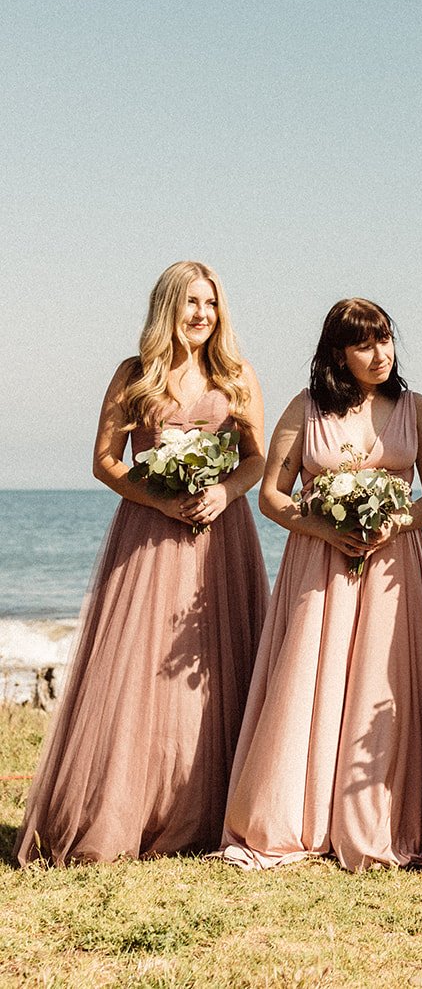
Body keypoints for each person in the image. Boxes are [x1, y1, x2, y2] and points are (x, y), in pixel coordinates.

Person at [17, 261, 269, 865]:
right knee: (139, 673)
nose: (202, 314)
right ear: (167, 308)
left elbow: (256, 459)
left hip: (220, 538)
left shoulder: (236, 376)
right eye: (189, 303)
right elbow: (105, 461)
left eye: (210, 303)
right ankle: (125, 811)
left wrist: (223, 492)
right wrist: (160, 495)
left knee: (210, 669)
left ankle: (207, 814)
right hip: (148, 539)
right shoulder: (134, 375)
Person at [219, 299, 422, 871]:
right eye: (364, 345)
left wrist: (394, 522)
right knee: (308, 679)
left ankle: (381, 816)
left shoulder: (415, 408)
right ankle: (298, 817)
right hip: (320, 566)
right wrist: (324, 527)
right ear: (337, 354)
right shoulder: (306, 409)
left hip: (394, 566)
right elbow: (272, 494)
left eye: (386, 341)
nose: (380, 355)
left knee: (385, 681)